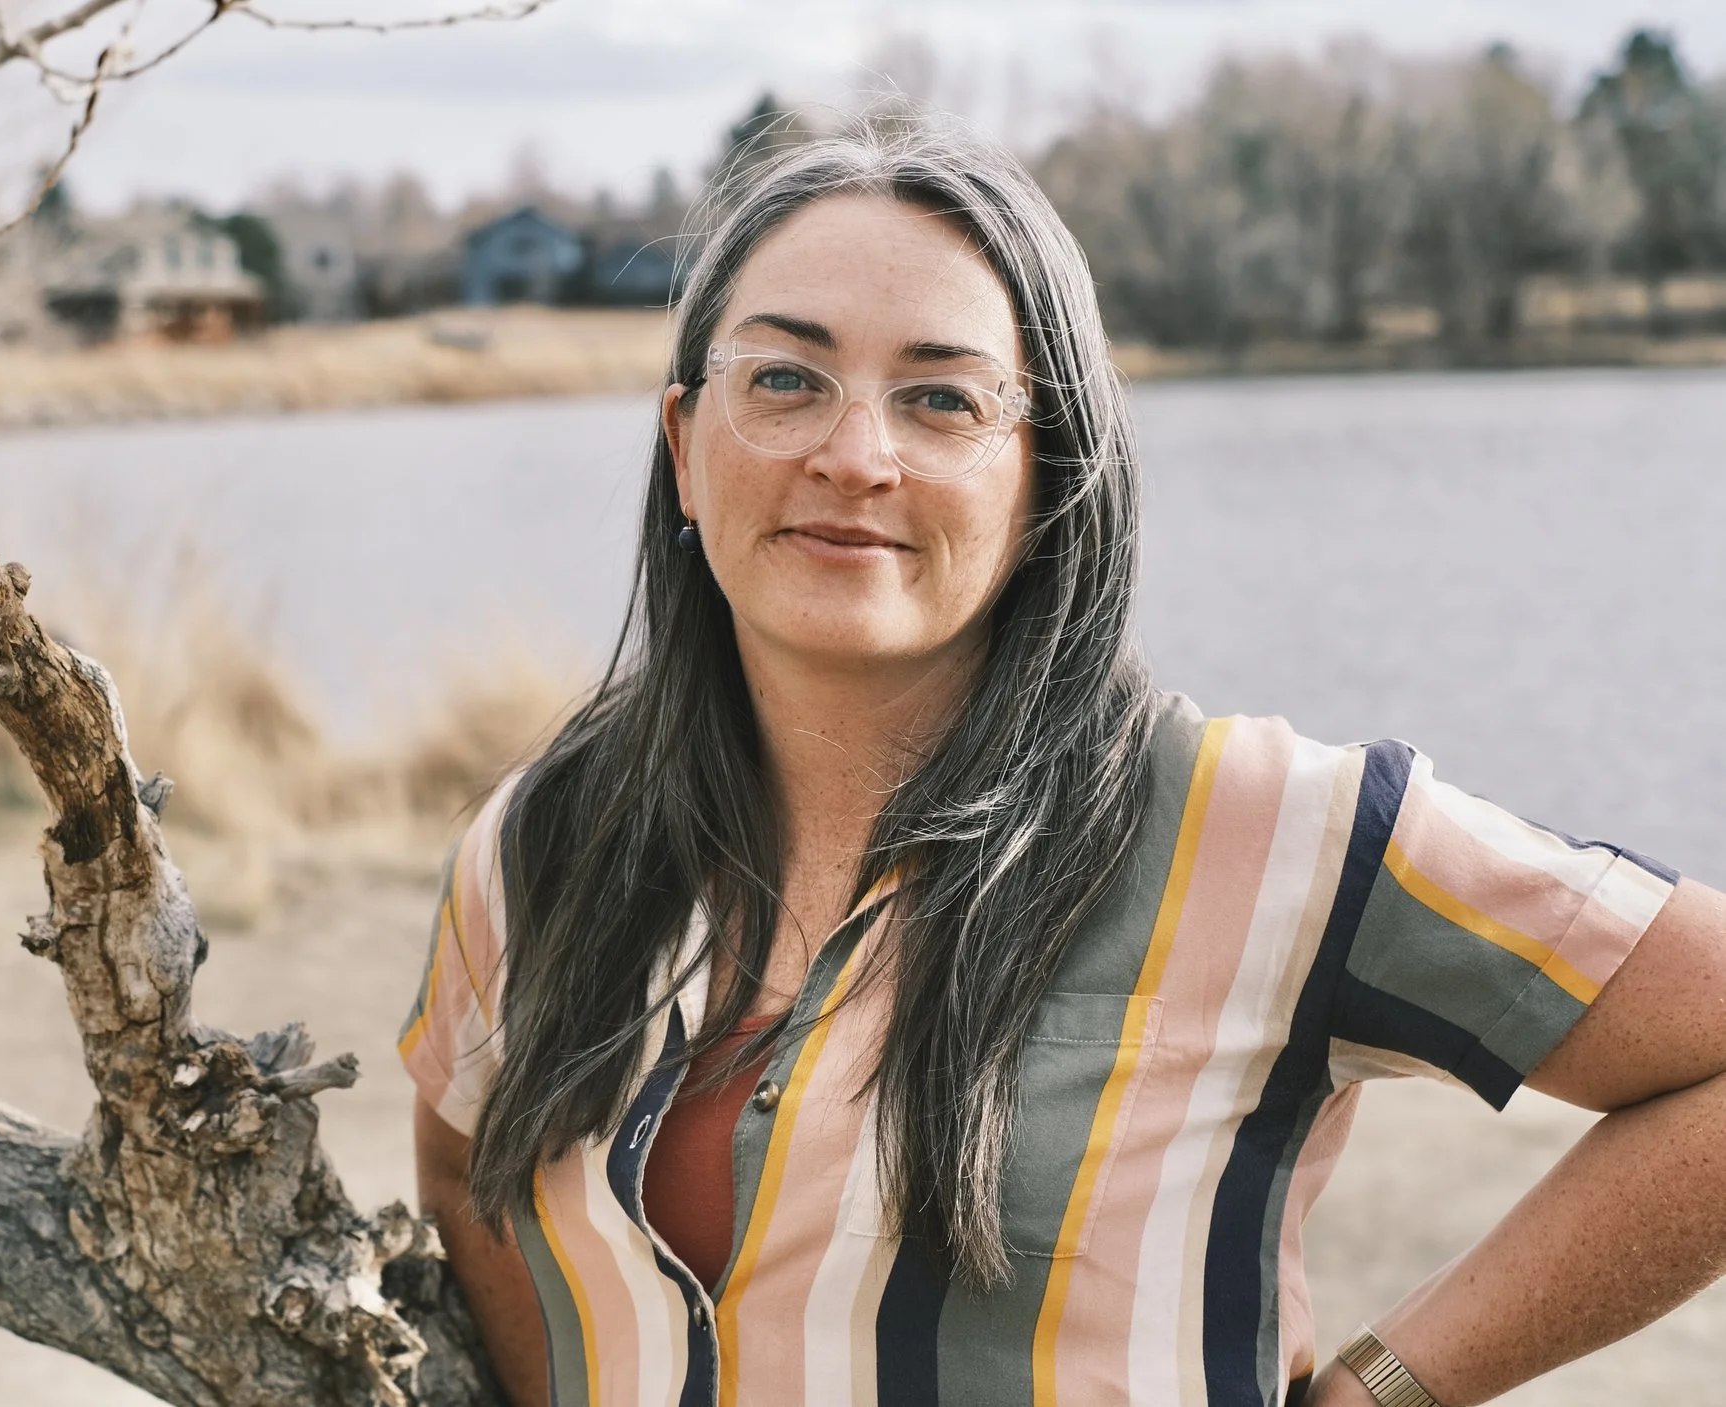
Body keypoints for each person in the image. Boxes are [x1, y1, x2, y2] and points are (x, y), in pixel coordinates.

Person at [397, 120, 1726, 1407]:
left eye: (941, 399)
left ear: (1045, 478)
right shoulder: (542, 843)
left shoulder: (1267, 831)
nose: (854, 455)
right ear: (686, 447)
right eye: (787, 378)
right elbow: (464, 1174)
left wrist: (1393, 1386)